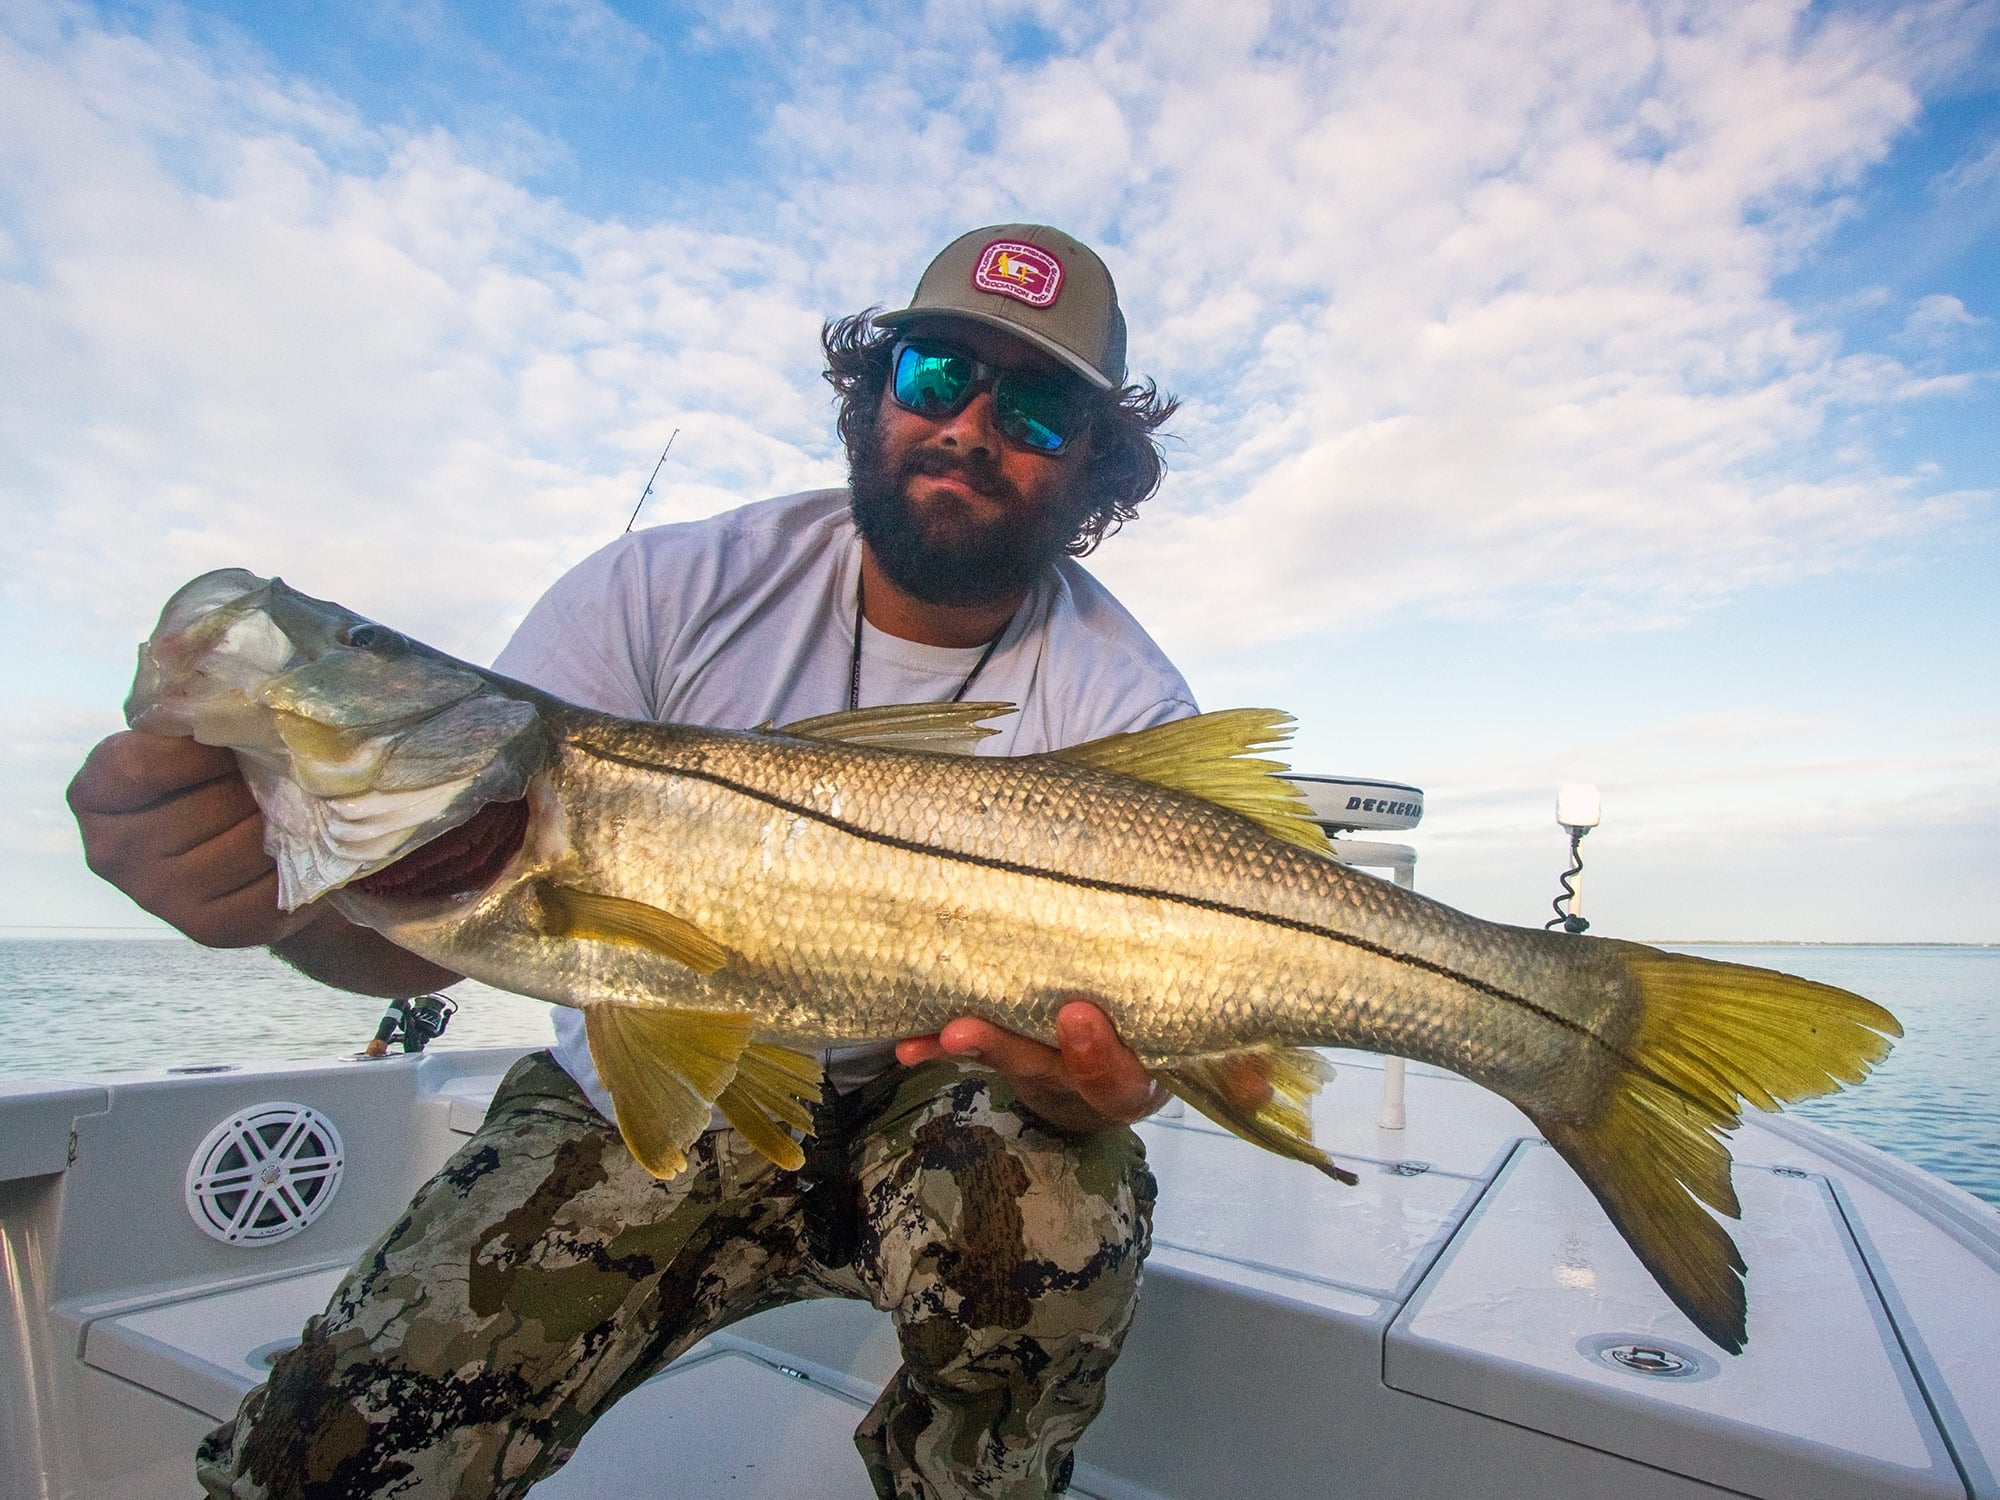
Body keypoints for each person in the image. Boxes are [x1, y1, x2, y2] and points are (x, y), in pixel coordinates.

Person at [69, 223, 1195, 1500]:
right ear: (871, 394)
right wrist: (282, 904)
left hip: (935, 1104)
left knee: (1052, 1200)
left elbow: (1143, 1070)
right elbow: (401, 935)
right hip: (630, 1083)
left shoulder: (1131, 703)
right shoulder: (663, 588)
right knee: (318, 1466)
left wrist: (1088, 1086)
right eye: (936, 374)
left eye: (1040, 407)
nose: (972, 427)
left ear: (1098, 463)